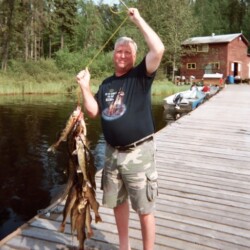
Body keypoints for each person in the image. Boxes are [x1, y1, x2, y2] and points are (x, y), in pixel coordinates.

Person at [76, 7, 164, 250]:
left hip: (139, 154)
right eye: (119, 51)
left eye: (127, 52)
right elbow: (93, 111)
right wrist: (85, 86)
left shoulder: (140, 76)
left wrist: (138, 20)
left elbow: (158, 49)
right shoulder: (106, 84)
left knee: (145, 209)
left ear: (134, 57)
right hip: (112, 154)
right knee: (118, 203)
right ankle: (123, 247)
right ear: (113, 55)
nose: (122, 55)